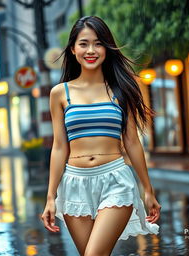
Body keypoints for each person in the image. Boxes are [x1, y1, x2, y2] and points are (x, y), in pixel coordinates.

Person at [41, 16, 161, 256]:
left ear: (106, 47)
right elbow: (59, 147)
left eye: (98, 43)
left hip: (115, 180)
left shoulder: (121, 89)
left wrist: (148, 189)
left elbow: (132, 142)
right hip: (74, 183)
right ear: (73, 49)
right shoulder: (59, 94)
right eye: (84, 44)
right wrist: (51, 196)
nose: (91, 50)